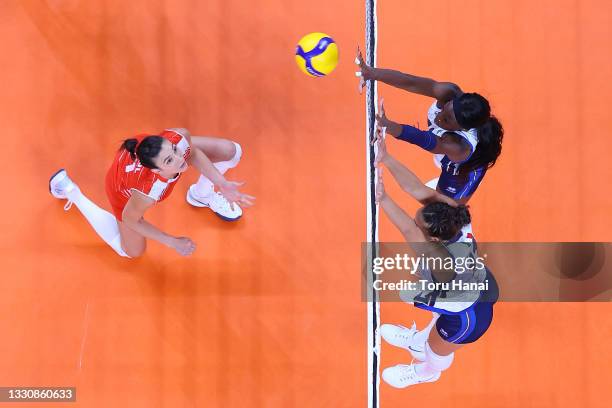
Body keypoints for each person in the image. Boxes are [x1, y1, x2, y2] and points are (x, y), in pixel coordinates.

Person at [375, 129, 498, 388]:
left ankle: (426, 371)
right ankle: (418, 339)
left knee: (435, 349)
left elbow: (409, 231)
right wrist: (385, 157)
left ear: (433, 242)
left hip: (466, 317)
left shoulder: (443, 266)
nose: (415, 220)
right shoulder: (453, 215)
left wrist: (383, 198)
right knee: (422, 305)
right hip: (477, 283)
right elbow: (417, 189)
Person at [49, 128, 254, 258]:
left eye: (174, 151)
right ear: (157, 171)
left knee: (231, 151)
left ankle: (202, 195)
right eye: (169, 161)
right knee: (132, 252)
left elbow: (191, 153)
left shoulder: (177, 139)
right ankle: (72, 193)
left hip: (145, 158)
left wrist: (222, 182)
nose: (178, 159)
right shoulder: (148, 190)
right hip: (120, 188)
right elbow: (131, 219)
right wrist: (172, 242)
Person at [356, 47, 503, 204]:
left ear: (462, 129)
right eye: (446, 109)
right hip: (445, 147)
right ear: (453, 99)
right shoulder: (449, 91)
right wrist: (372, 73)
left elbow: (423, 138)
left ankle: (459, 220)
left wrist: (388, 126)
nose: (439, 117)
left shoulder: (458, 146)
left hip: (461, 169)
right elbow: (411, 82)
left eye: (446, 120)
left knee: (441, 210)